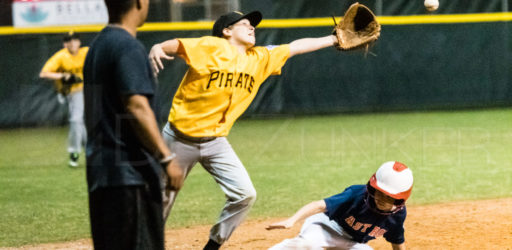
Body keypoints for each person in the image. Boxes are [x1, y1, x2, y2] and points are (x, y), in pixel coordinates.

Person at [149, 10, 341, 249]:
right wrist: (158, 46)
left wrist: (333, 39)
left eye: (253, 26)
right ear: (226, 31)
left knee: (245, 194)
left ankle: (213, 245)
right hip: (179, 139)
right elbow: (178, 45)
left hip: (215, 142)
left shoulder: (259, 58)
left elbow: (295, 47)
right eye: (245, 24)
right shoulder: (211, 47)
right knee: (159, 203)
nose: (252, 28)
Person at [83, 0, 177, 249]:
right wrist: (166, 158)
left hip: (102, 174)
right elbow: (136, 106)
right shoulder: (127, 46)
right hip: (130, 177)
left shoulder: (97, 46)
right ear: (138, 2)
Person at [266, 161, 413, 250]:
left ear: (399, 200)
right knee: (306, 245)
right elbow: (319, 205)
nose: (381, 198)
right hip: (326, 226)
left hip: (351, 243)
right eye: (379, 192)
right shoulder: (357, 194)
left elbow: (397, 240)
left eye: (389, 197)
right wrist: (292, 220)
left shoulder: (398, 215)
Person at [40, 31, 88, 167]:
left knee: (79, 120)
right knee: (78, 120)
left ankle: (82, 151)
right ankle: (81, 151)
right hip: (71, 93)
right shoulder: (61, 56)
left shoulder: (86, 52)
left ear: (79, 42)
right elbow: (44, 73)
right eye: (69, 40)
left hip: (88, 90)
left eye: (75, 40)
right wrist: (63, 76)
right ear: (64, 43)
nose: (72, 43)